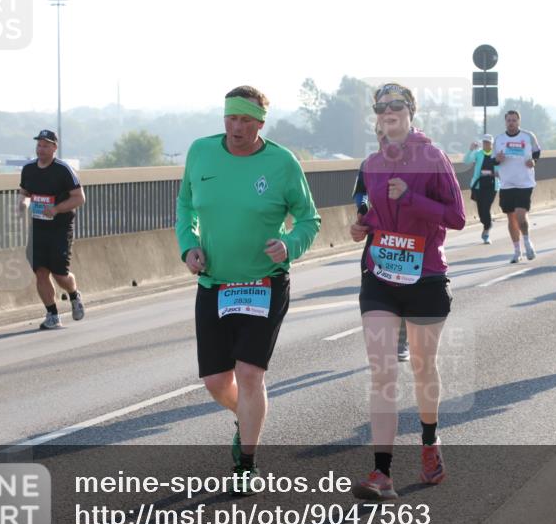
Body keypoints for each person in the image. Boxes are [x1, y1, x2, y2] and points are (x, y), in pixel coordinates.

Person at [176, 85, 321, 494]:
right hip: (215, 283)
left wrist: (288, 245)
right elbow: (185, 205)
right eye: (230, 118)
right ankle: (245, 414)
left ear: (260, 124)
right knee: (217, 382)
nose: (236, 128)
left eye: (245, 121)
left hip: (264, 283)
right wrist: (188, 245)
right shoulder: (200, 152)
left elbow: (309, 220)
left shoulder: (282, 163)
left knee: (250, 374)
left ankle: (247, 462)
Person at [349, 82, 466, 500]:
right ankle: (382, 473)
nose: (388, 112)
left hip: (425, 277)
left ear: (411, 111)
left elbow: (457, 217)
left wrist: (413, 198)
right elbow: (363, 209)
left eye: (396, 105)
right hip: (380, 275)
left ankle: (430, 443)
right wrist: (359, 225)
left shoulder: (433, 157)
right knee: (382, 371)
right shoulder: (369, 164)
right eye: (381, 107)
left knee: (422, 367)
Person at [17, 129, 86, 330]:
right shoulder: (28, 169)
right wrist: (22, 203)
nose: (41, 149)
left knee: (59, 274)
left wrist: (55, 209)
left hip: (60, 228)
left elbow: (79, 198)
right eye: (39, 145)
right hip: (38, 228)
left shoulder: (64, 170)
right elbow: (24, 191)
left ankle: (74, 294)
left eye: (46, 145)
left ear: (54, 147)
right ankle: (52, 315)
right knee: (40, 272)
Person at [354, 123, 411, 363]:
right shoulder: (369, 164)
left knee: (404, 287)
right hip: (377, 236)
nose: (384, 138)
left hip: (407, 239)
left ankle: (401, 340)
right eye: (379, 134)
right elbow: (360, 192)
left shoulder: (416, 163)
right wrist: (363, 208)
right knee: (372, 285)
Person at [494, 110, 542, 263]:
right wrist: (497, 159)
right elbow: (492, 160)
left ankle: (527, 243)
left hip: (524, 182)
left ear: (519, 121)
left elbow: (537, 152)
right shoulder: (499, 139)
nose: (511, 123)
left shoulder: (528, 136)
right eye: (509, 120)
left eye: (514, 120)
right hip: (507, 183)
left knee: (521, 216)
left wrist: (533, 161)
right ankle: (516, 251)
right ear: (505, 122)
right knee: (511, 218)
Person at [465, 134, 499, 244]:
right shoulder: (478, 153)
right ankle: (487, 223)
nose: (486, 144)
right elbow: (466, 161)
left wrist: (495, 173)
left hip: (492, 186)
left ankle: (487, 230)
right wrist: (471, 150)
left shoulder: (496, 155)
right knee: (481, 211)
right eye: (484, 142)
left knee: (486, 207)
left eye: (488, 142)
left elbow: (501, 170)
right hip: (478, 185)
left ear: (492, 144)